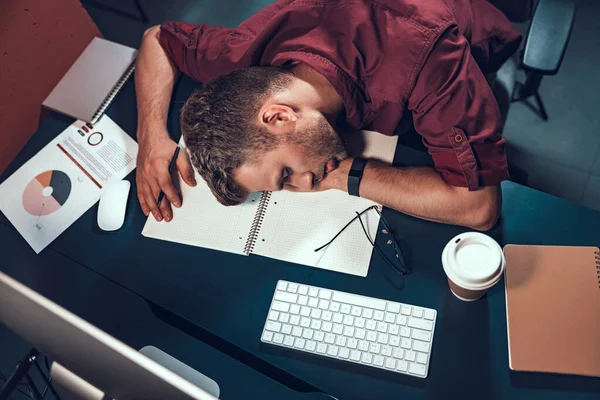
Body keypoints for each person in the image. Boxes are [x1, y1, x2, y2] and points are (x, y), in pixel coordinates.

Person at [134, 0, 521, 230]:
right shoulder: (241, 64)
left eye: (285, 175)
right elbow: (156, 39)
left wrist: (342, 175)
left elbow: (479, 207)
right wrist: (151, 135)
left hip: (466, 41)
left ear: (279, 117)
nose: (302, 185)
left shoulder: (425, 58)